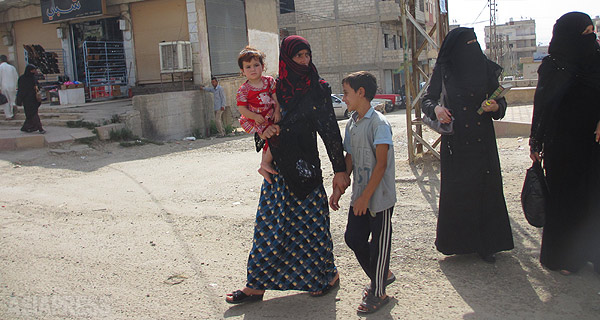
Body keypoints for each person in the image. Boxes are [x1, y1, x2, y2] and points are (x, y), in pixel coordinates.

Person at [225, 35, 350, 304]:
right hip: (279, 166)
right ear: (286, 59)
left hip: (306, 167)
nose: (304, 61)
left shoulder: (318, 88)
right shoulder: (276, 88)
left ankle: (326, 275)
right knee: (268, 227)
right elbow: (260, 123)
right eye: (298, 56)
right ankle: (256, 285)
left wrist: (339, 169)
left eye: (307, 55)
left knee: (311, 228)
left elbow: (329, 130)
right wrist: (266, 132)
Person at [421, 27, 514, 263]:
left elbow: (500, 101)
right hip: (457, 142)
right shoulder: (445, 69)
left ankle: (487, 244)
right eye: (468, 43)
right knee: (460, 192)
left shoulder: (484, 66)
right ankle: (459, 243)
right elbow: (427, 100)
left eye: (475, 42)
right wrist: (437, 109)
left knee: (486, 191)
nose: (473, 47)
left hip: (483, 141)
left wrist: (496, 106)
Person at [529, 12, 600, 275]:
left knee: (594, 199)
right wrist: (535, 142)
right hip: (562, 145)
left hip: (593, 144)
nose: (590, 37)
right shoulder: (553, 65)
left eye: (592, 31)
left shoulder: (598, 60)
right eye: (585, 32)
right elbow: (542, 104)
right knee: (565, 200)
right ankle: (566, 257)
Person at [329, 71, 396, 314]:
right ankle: (382, 275)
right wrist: (338, 189)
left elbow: (381, 164)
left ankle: (378, 292)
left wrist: (367, 197)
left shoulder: (379, 123)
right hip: (360, 195)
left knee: (379, 246)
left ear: (361, 93)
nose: (343, 98)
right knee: (353, 238)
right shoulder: (352, 123)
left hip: (379, 199)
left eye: (346, 93)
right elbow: (350, 159)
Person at [235, 46, 281, 181]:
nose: (253, 69)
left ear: (263, 66)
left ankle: (264, 166)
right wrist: (254, 116)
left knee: (272, 138)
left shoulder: (269, 81)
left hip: (271, 115)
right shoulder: (243, 90)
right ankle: (265, 163)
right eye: (248, 67)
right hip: (257, 120)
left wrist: (277, 111)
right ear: (242, 71)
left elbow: (276, 98)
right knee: (270, 137)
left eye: (256, 65)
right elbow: (242, 109)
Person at [16, 64, 45, 134]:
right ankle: (40, 128)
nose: (34, 71)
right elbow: (21, 90)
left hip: (31, 99)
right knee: (32, 114)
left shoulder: (26, 78)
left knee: (31, 114)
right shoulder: (30, 78)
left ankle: (26, 127)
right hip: (28, 99)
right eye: (33, 70)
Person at [0, 54, 19, 120]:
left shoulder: (0, 67)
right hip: (12, 86)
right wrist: (16, 86)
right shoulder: (12, 67)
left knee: (6, 101)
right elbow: (16, 77)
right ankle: (13, 106)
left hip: (4, 86)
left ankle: (8, 115)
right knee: (12, 99)